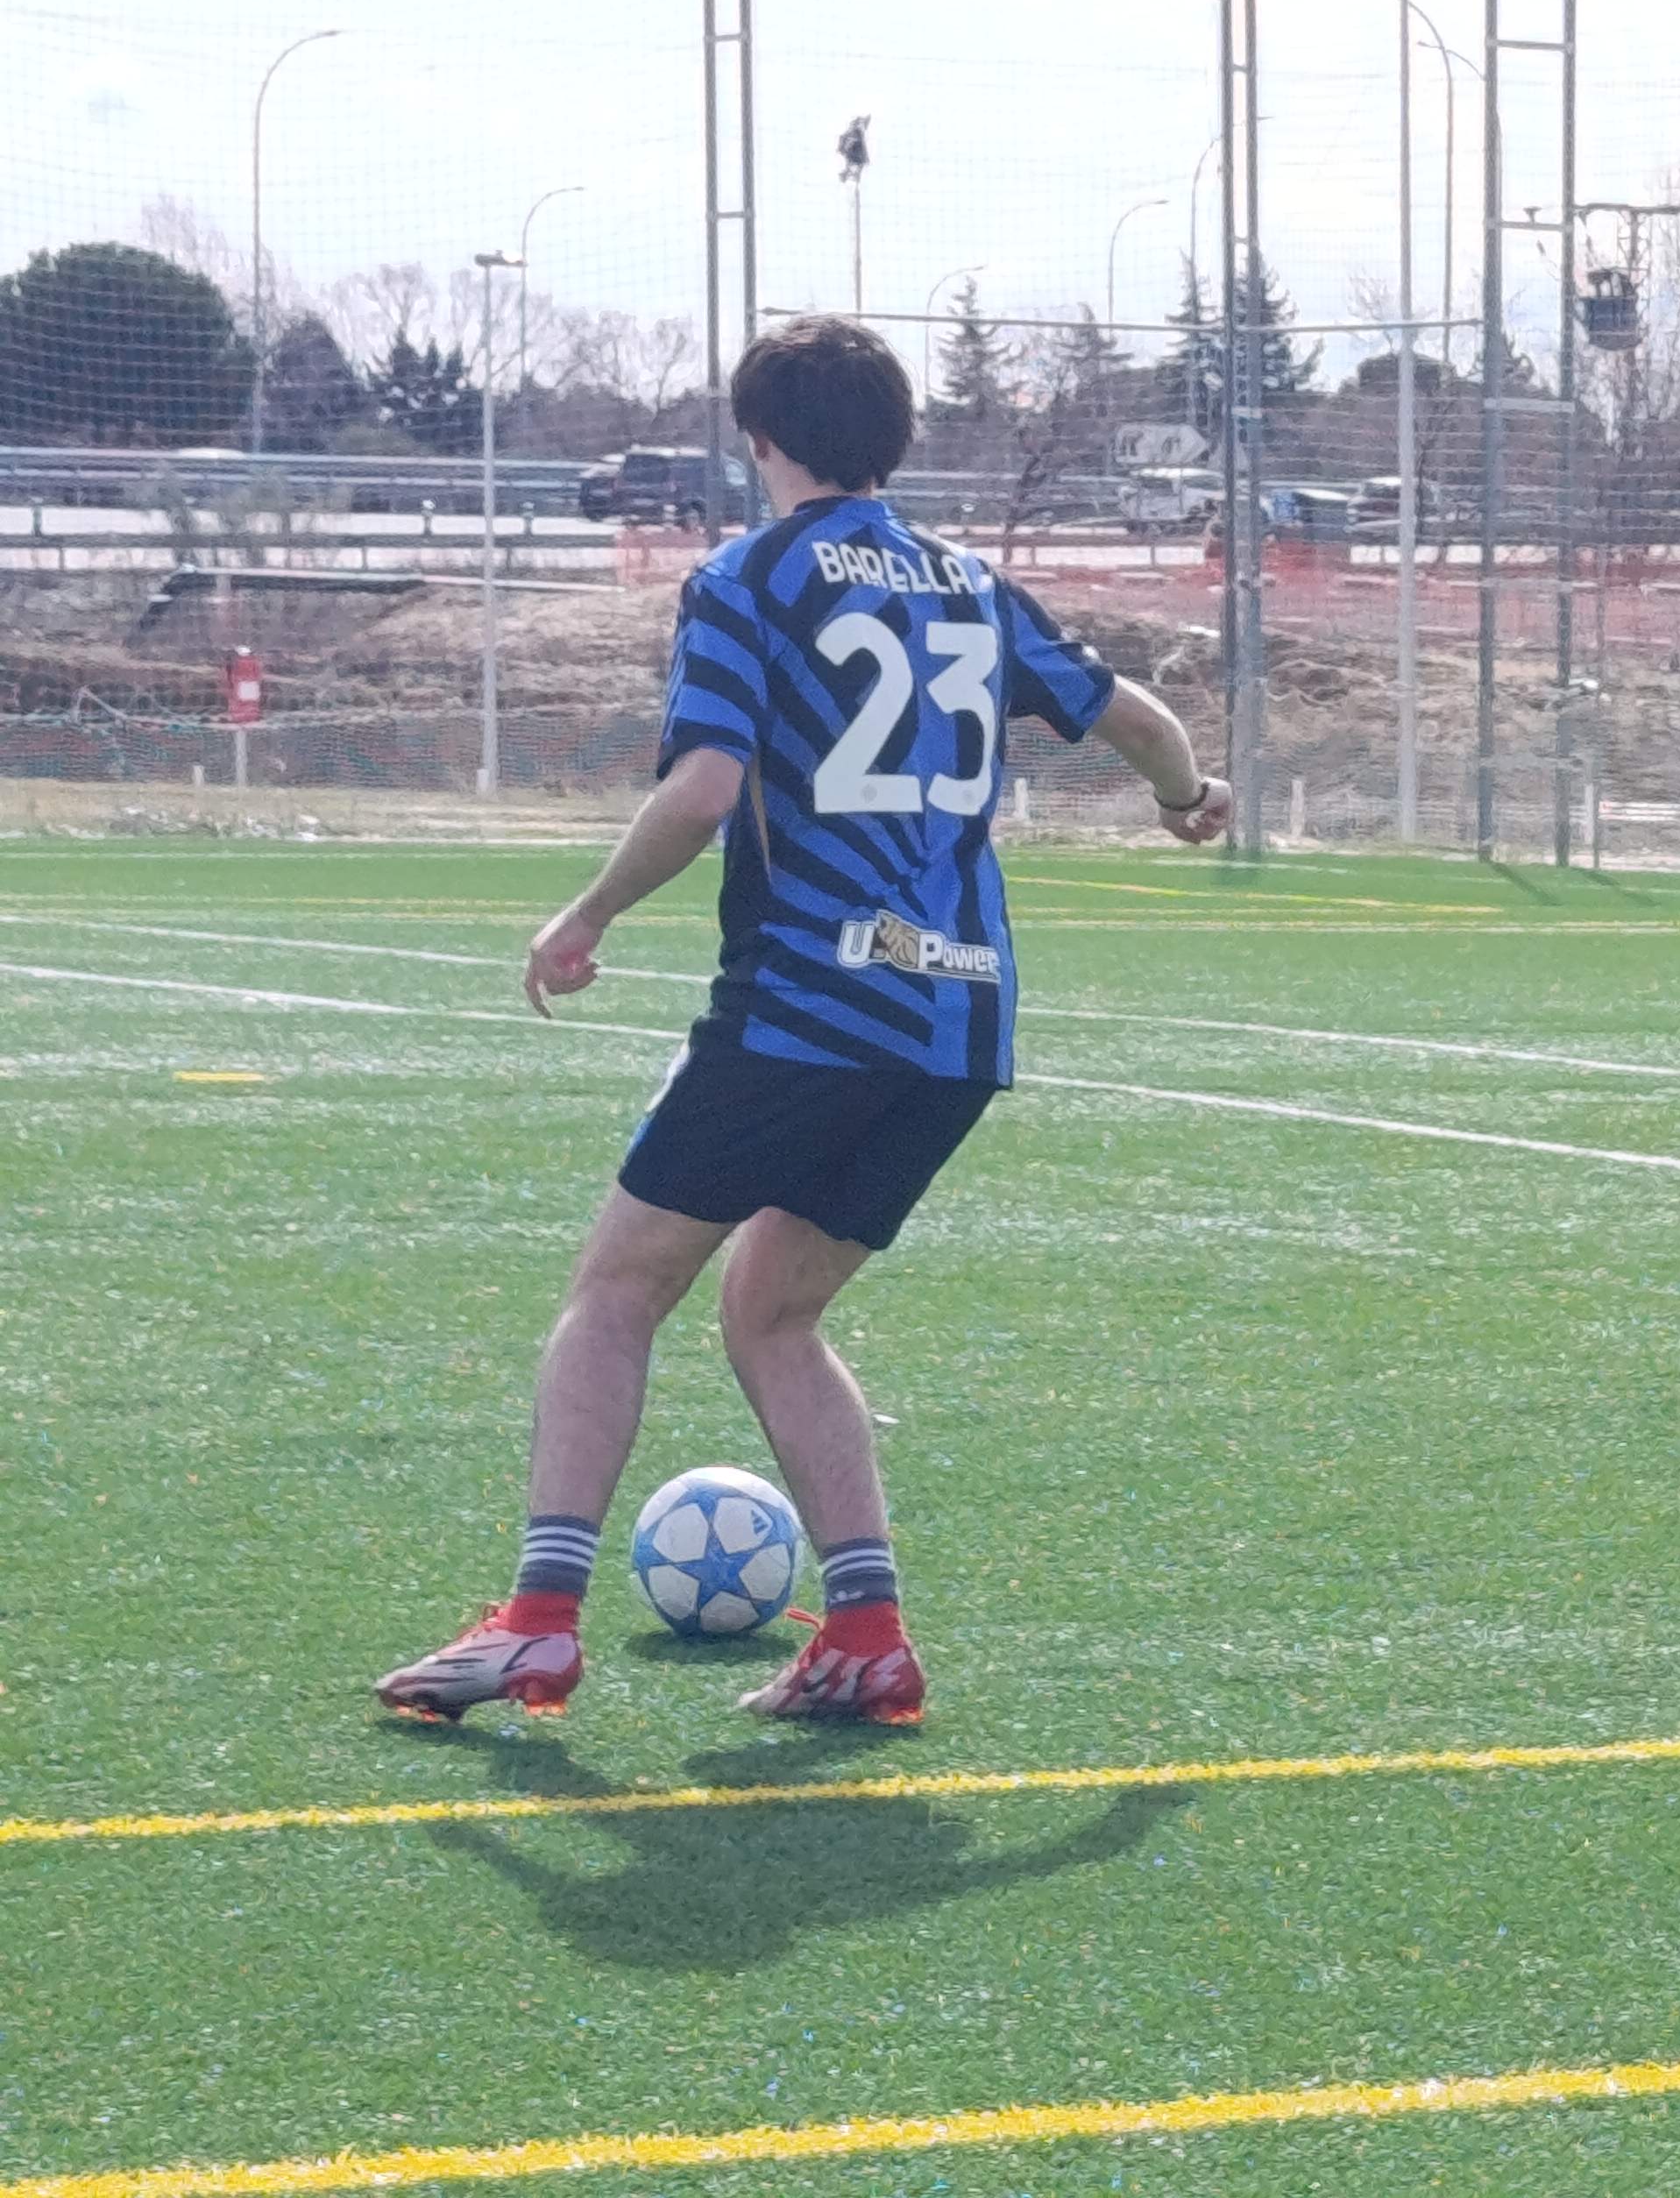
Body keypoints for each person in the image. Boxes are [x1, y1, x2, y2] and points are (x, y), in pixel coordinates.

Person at [374, 316, 1232, 1726]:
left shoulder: (747, 578)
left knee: (617, 1290)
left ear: (758, 439)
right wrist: (1189, 801)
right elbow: (1138, 722)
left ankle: (536, 1623)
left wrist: (587, 914)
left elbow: (707, 788)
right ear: (893, 439)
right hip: (960, 1020)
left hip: (810, 1000)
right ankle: (869, 1636)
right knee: (772, 1310)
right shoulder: (971, 584)